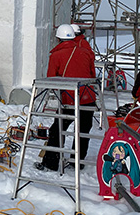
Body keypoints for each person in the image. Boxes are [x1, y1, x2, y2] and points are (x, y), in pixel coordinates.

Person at [36, 24, 97, 172]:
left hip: (70, 99)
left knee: (57, 130)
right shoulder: (86, 52)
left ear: (58, 38)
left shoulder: (56, 55)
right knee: (82, 131)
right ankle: (77, 162)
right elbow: (92, 75)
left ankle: (51, 162)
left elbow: (51, 79)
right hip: (88, 97)